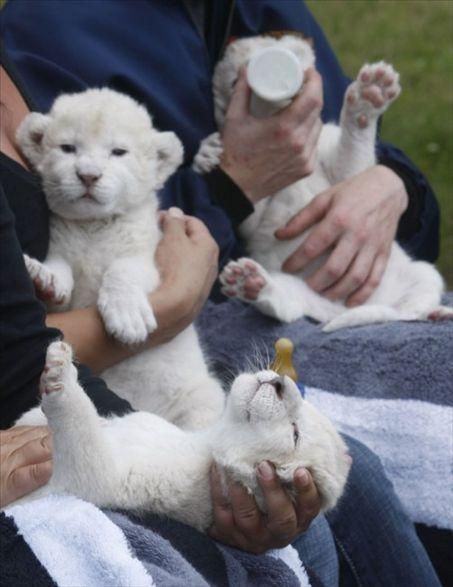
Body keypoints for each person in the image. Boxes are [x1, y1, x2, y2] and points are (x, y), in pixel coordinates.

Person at [0, 1, 442, 585]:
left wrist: (394, 181)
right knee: (320, 503)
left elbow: (376, 174)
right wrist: (229, 189)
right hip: (200, 312)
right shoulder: (56, 29)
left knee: (352, 478)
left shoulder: (267, 10)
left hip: (203, 314)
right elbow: (106, 212)